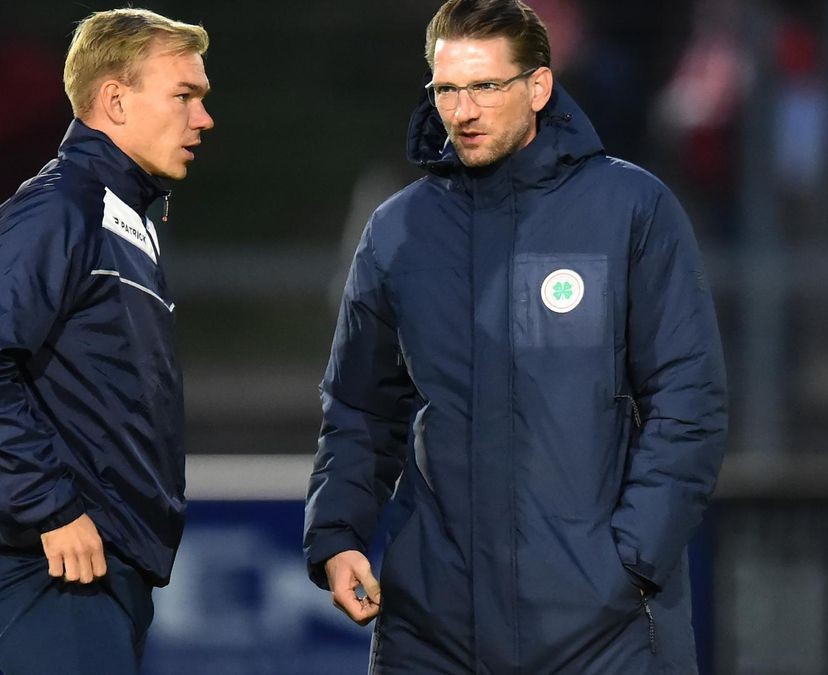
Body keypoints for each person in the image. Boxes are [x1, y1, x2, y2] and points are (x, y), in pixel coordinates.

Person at [303, 0, 727, 672]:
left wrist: (628, 564)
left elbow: (688, 401)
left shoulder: (630, 210)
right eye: (447, 89)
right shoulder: (398, 231)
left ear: (538, 87)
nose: (462, 110)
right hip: (431, 628)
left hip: (600, 630)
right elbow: (359, 406)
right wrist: (338, 533)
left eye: (485, 87)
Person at [0, 8, 213, 674]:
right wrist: (50, 506)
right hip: (54, 559)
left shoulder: (124, 219)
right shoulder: (59, 207)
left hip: (105, 564)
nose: (203, 118)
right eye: (184, 96)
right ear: (114, 98)